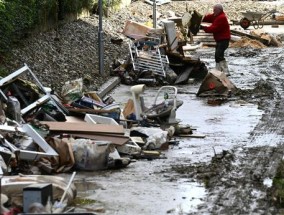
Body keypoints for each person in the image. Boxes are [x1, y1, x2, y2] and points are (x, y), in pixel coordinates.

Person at [200, 4, 231, 76]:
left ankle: (226, 71)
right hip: (221, 39)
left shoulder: (221, 18)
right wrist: (202, 18)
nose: (213, 12)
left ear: (218, 10)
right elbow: (209, 18)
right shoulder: (217, 16)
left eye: (214, 10)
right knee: (217, 55)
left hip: (223, 39)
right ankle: (218, 70)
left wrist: (203, 28)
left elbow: (214, 28)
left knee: (219, 55)